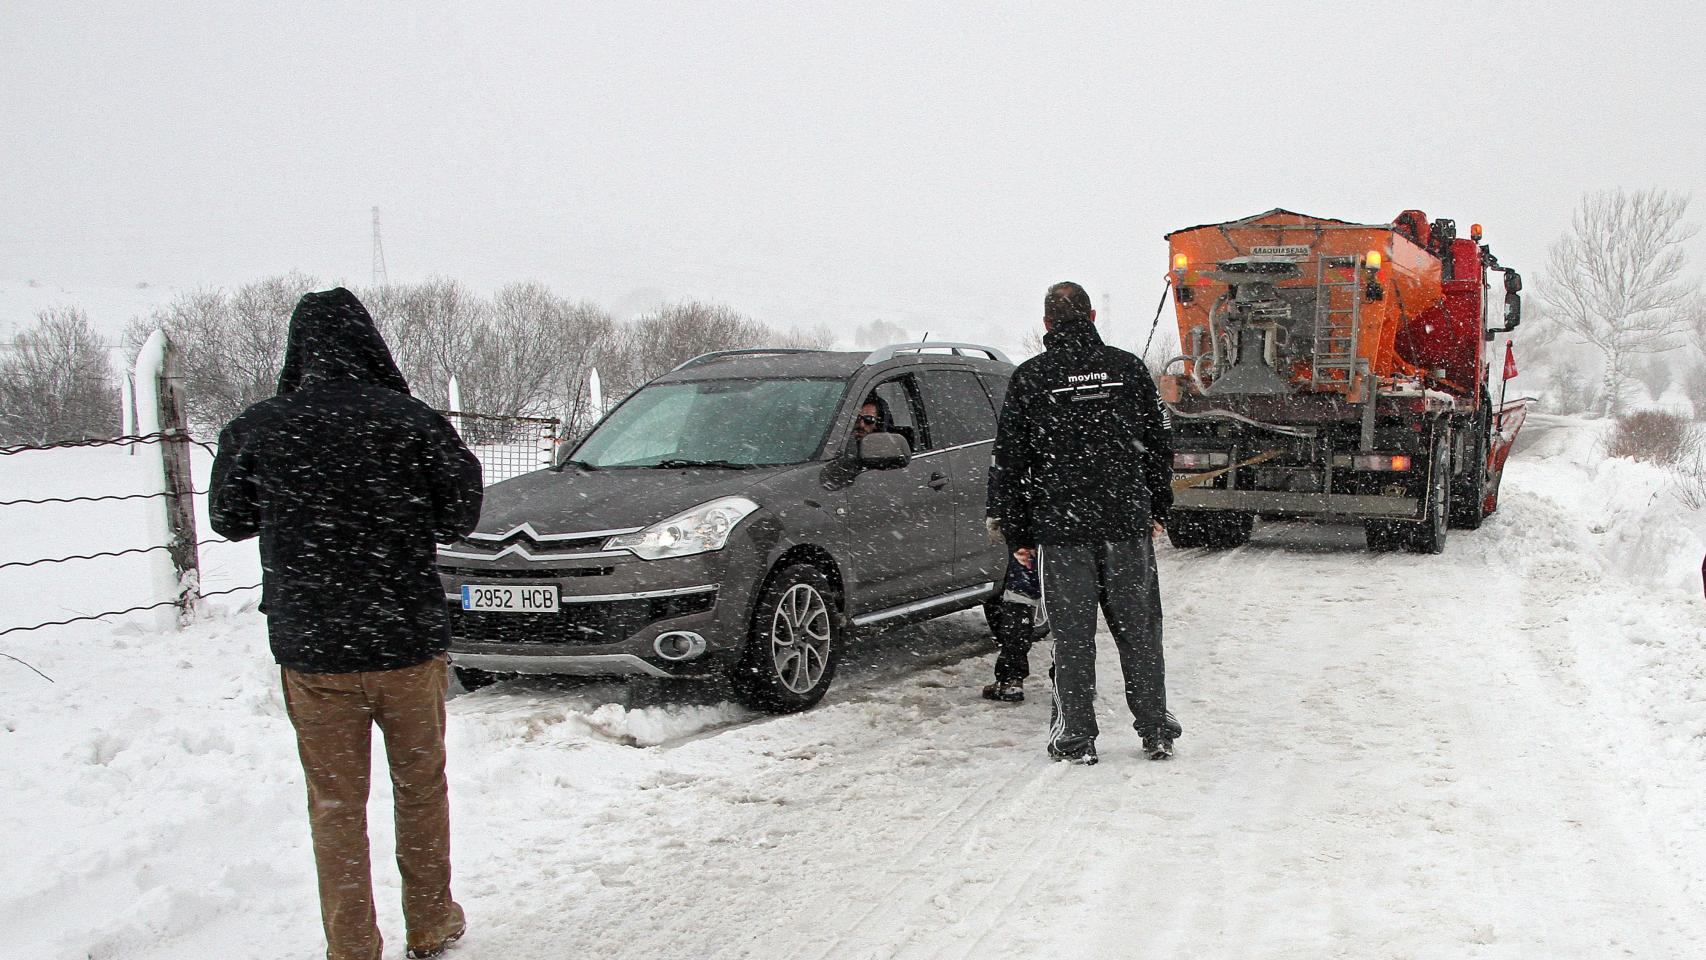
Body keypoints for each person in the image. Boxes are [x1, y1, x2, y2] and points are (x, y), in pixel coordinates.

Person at [209, 288, 484, 960]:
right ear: (370, 344)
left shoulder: (260, 427)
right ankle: (429, 921)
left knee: (334, 804)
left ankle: (352, 943)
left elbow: (228, 519)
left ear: (297, 350)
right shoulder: (412, 422)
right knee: (420, 785)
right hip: (405, 642)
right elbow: (462, 512)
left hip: (314, 650)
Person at [987, 281, 1181, 764]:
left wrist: (1018, 533)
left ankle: (1076, 738)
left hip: (1063, 529)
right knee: (1139, 631)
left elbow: (1010, 460)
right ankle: (1155, 729)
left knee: (1072, 638)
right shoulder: (1128, 369)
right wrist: (1157, 506)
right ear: (1092, 317)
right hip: (1124, 525)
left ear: (1047, 324)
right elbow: (1158, 443)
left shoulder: (1031, 377)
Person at [980, 546, 1044, 702]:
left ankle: (1011, 679)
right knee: (1068, 607)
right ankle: (1076, 681)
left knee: (1020, 597)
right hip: (1069, 542)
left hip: (1028, 535)